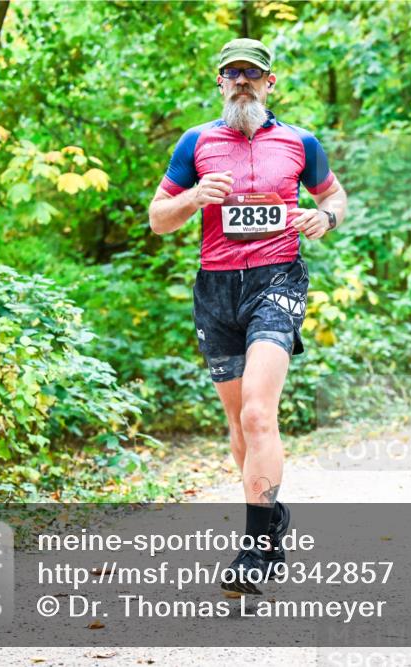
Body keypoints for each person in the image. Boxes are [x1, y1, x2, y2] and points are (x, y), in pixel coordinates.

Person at [148, 38, 348, 596]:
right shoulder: (196, 142)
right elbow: (158, 218)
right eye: (232, 73)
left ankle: (256, 550)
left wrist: (325, 219)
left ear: (269, 82)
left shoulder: (300, 142)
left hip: (277, 280)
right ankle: (272, 517)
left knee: (260, 413)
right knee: (238, 425)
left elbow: (334, 197)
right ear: (220, 82)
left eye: (252, 74)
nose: (242, 81)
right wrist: (194, 198)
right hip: (216, 289)